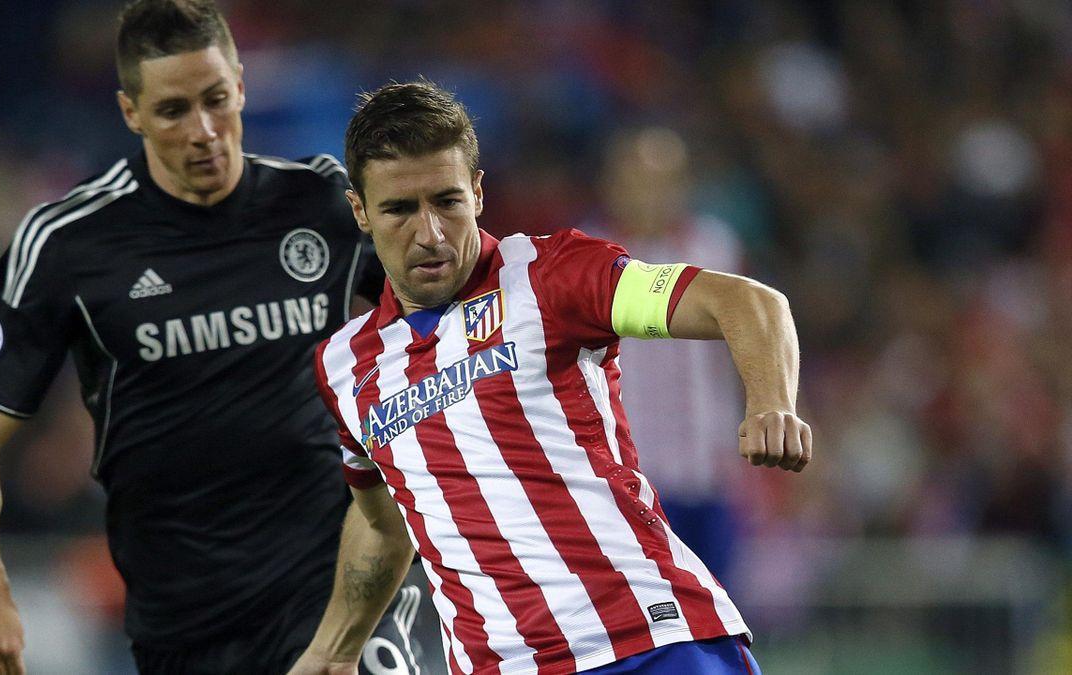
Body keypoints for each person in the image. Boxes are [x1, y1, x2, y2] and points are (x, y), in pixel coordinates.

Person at [0, 2, 439, 673]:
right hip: (184, 620)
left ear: (240, 83)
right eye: (174, 111)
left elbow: (452, 301)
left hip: (334, 586)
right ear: (130, 113)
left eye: (216, 99)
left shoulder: (320, 202)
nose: (204, 130)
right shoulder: (70, 242)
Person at [294, 81, 811, 674]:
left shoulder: (550, 276)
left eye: (447, 201)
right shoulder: (343, 367)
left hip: (651, 643)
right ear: (360, 210)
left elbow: (746, 303)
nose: (430, 233)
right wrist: (331, 651)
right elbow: (382, 523)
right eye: (399, 209)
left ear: (479, 193)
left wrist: (772, 403)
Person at [588, 126, 751, 584]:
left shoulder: (713, 247)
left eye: (663, 179)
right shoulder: (590, 254)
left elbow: (742, 348)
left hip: (709, 470)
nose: (650, 191)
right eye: (637, 177)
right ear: (612, 183)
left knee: (726, 608)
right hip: (629, 475)